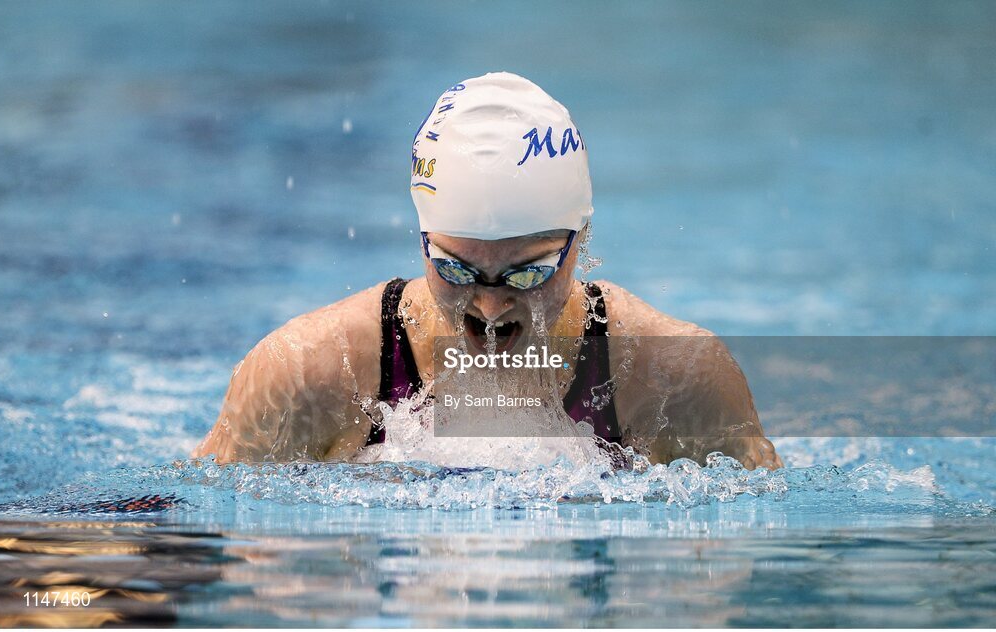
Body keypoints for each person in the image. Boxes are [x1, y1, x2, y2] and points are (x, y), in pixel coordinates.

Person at [192, 72, 783, 470]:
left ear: (582, 240)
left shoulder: (678, 382)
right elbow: (187, 541)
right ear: (420, 238)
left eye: (528, 273)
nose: (492, 307)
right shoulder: (306, 374)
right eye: (454, 268)